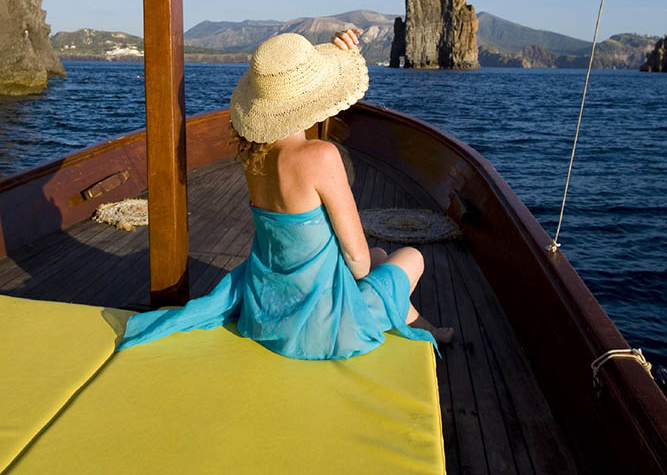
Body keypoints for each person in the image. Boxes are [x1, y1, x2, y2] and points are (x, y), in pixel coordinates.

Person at [118, 29, 452, 358]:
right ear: (313, 97)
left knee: (382, 257)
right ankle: (424, 330)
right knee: (409, 257)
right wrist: (360, 284)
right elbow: (357, 260)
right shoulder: (320, 156)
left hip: (269, 314)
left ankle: (425, 327)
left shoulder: (254, 159)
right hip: (320, 327)